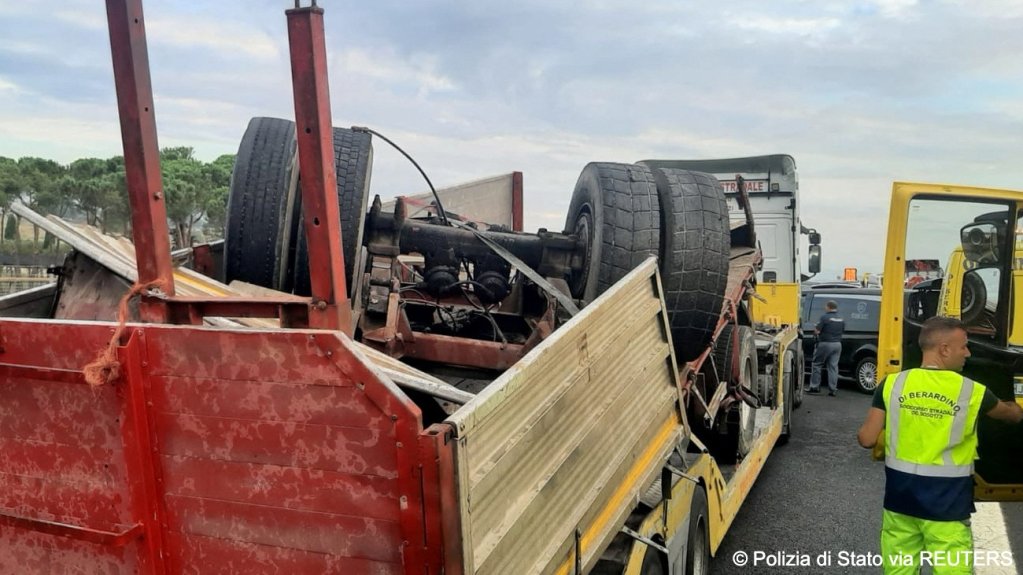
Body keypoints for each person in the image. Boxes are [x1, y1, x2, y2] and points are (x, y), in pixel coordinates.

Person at [857, 316, 1023, 575]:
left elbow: (866, 439)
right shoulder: (971, 391)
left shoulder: (891, 384)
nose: (967, 353)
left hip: (900, 502)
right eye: (964, 346)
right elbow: (1012, 415)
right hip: (946, 506)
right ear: (944, 349)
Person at [808, 300, 844, 396]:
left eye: (826, 306)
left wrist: (815, 328)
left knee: (817, 364)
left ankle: (814, 387)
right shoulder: (841, 318)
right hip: (837, 344)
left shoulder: (824, 317)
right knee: (833, 367)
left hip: (825, 343)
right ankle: (833, 389)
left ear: (828, 307)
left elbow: (817, 331)